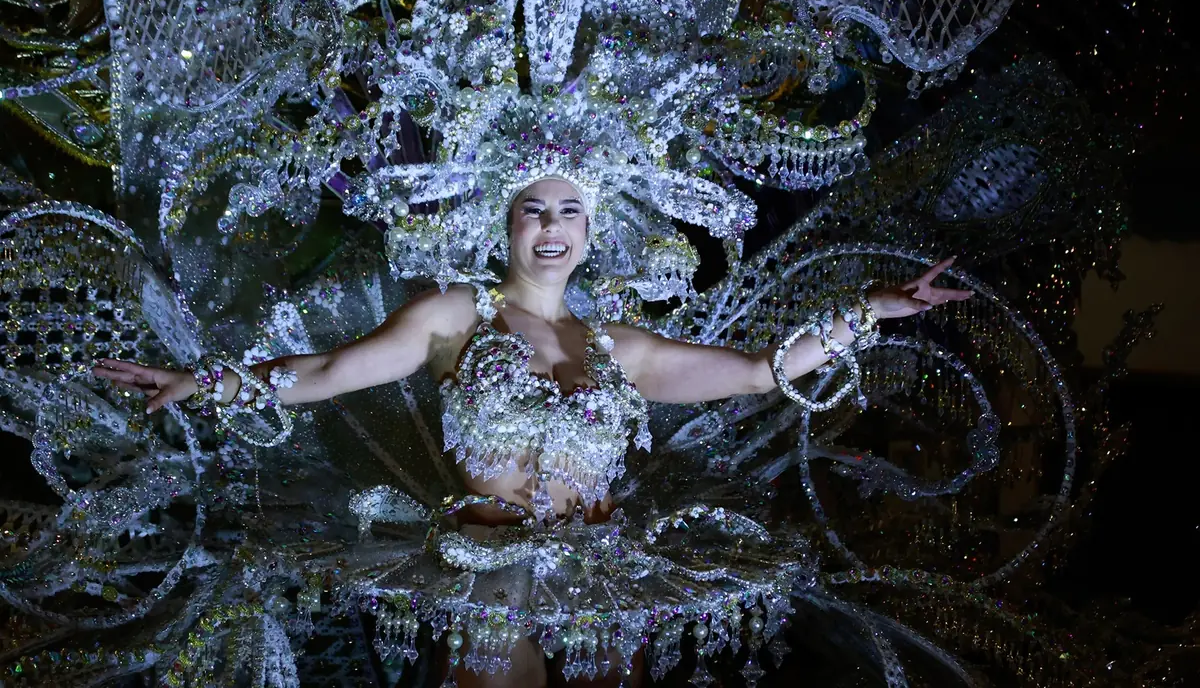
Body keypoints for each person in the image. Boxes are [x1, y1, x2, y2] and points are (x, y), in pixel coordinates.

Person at [93, 176, 971, 687]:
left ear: (593, 230)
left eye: (570, 212)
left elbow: (756, 372)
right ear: (506, 223)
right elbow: (327, 373)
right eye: (533, 210)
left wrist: (873, 310)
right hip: (489, 566)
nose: (551, 229)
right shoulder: (453, 320)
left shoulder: (618, 344)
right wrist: (203, 381)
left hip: (602, 567)